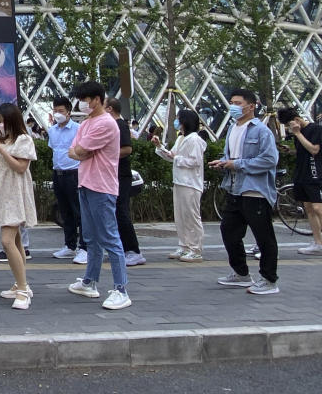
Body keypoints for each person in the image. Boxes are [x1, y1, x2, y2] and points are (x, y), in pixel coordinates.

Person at [66, 81, 131, 310]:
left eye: (85, 100)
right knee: (91, 238)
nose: (82, 104)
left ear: (96, 99)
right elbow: (73, 150)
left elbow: (80, 151)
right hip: (86, 184)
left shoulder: (105, 123)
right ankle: (90, 281)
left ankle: (121, 289)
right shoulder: (87, 122)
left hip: (102, 187)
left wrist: (80, 152)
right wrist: (80, 152)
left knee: (110, 238)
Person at [210, 89, 280, 294]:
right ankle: (241, 273)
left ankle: (269, 279)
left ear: (251, 106)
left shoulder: (261, 131)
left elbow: (269, 160)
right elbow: (231, 156)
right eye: (232, 102)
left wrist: (237, 164)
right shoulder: (233, 128)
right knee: (228, 230)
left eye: (238, 103)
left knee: (263, 236)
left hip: (255, 191)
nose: (233, 106)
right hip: (234, 189)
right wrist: (224, 163)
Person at [0, 103, 36, 310]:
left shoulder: (24, 139)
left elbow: (21, 167)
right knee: (15, 240)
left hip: (15, 192)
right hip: (3, 191)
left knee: (7, 241)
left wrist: (1, 150)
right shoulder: (3, 140)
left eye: (3, 120)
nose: (1, 124)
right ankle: (20, 284)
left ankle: (23, 289)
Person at [153, 109, 206, 262]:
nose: (176, 122)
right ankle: (184, 246)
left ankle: (195, 249)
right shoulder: (181, 138)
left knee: (191, 217)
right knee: (181, 217)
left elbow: (194, 161)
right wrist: (160, 147)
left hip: (191, 183)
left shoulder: (194, 139)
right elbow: (172, 156)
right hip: (180, 181)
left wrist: (176, 158)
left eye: (178, 119)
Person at [105, 98, 144, 266]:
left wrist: (107, 154)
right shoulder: (112, 125)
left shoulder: (120, 125)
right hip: (113, 176)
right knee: (115, 213)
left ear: (110, 109)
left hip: (121, 176)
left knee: (122, 213)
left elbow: (127, 149)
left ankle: (133, 250)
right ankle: (121, 248)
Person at [277, 107, 322, 255]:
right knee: (308, 208)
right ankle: (318, 243)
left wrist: (297, 133)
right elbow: (303, 149)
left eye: (289, 125)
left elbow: (314, 150)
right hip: (301, 174)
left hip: (314, 173)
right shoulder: (298, 134)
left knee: (318, 208)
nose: (289, 129)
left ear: (296, 120)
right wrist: (290, 151)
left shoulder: (315, 129)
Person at [47, 96, 85, 263]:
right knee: (65, 211)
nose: (57, 114)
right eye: (55, 111)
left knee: (79, 211)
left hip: (74, 173)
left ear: (69, 112)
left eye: (61, 111)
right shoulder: (53, 130)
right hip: (58, 173)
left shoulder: (78, 129)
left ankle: (84, 246)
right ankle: (70, 245)